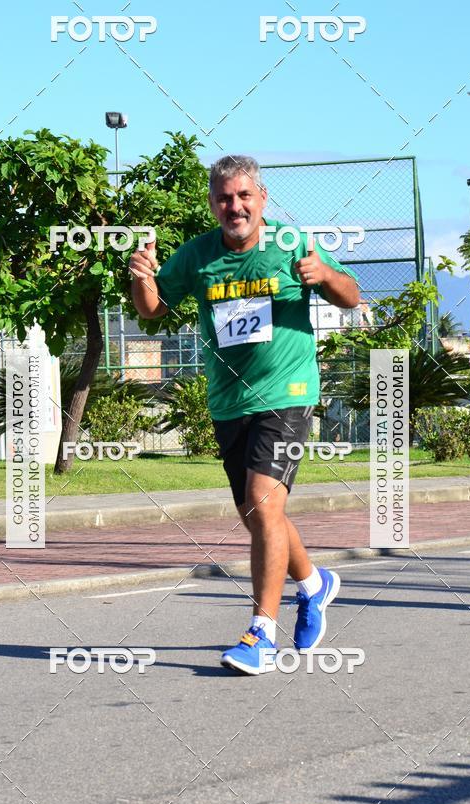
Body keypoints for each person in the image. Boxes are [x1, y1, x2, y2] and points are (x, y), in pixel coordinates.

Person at [129, 155, 360, 675]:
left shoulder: (290, 244)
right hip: (229, 401)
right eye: (224, 198)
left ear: (262, 198)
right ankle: (315, 585)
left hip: (289, 392)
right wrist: (143, 276)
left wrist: (323, 273)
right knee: (261, 515)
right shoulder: (198, 255)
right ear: (213, 203)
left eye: (244, 196)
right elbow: (151, 309)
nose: (235, 206)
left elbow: (351, 297)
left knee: (261, 501)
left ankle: (261, 634)